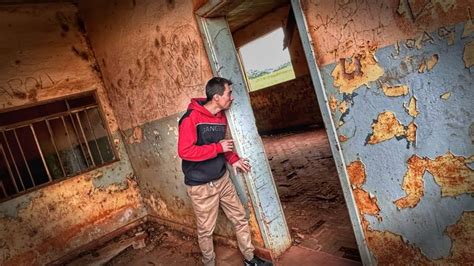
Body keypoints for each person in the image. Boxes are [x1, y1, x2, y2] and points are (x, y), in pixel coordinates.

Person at [178, 77, 272, 266]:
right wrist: (217, 148)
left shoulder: (221, 117)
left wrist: (234, 159)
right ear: (216, 97)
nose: (232, 97)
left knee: (240, 218)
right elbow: (185, 152)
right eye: (229, 93)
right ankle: (209, 263)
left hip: (222, 179)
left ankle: (249, 258)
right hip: (201, 187)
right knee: (205, 231)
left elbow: (224, 146)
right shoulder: (190, 119)